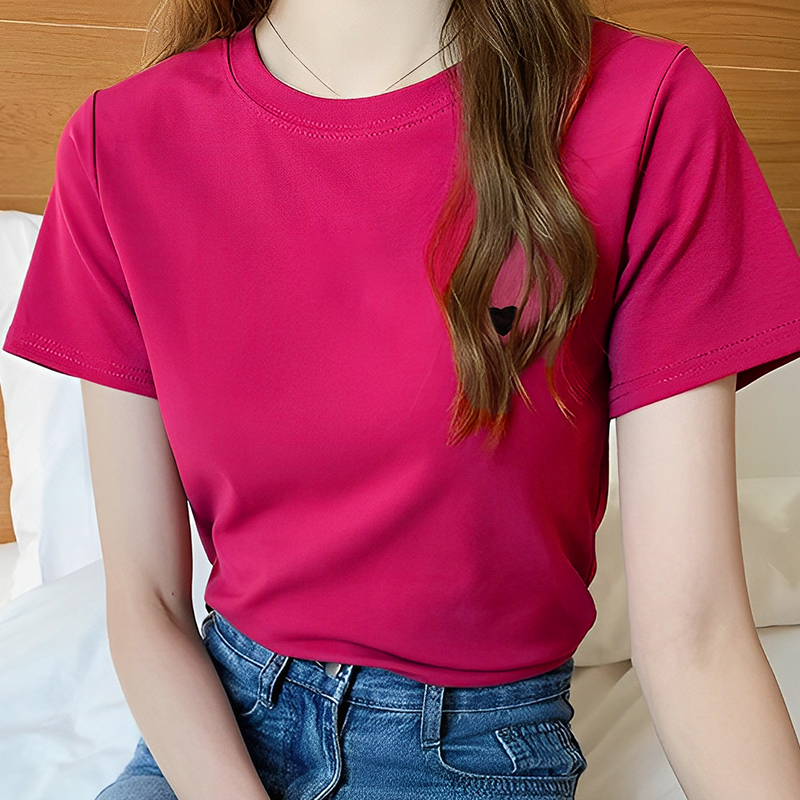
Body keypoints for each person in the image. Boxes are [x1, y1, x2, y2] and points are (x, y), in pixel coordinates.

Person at [5, 0, 800, 797]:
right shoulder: (120, 142)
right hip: (216, 735)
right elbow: (146, 602)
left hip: (473, 752)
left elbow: (697, 632)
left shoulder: (644, 108)